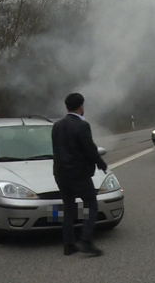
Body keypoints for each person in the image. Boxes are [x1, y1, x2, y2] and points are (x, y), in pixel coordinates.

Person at [51, 93, 108, 257]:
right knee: (92, 206)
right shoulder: (82, 126)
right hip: (78, 175)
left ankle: (68, 245)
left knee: (68, 209)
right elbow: (89, 149)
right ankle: (86, 241)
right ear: (81, 106)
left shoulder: (57, 126)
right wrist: (100, 163)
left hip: (61, 174)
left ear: (66, 106)